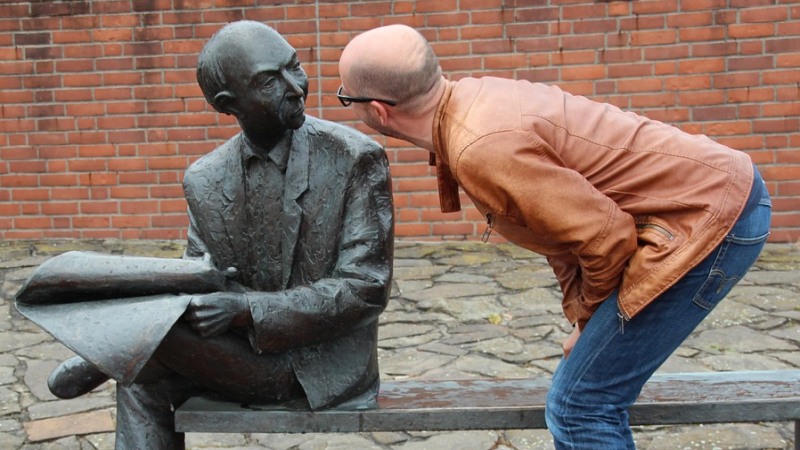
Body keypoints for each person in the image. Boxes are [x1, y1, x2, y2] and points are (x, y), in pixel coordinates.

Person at [338, 24, 771, 449]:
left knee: (581, 406)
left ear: (378, 111)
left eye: (345, 97)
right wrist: (583, 321)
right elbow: (562, 235)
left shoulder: (481, 146)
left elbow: (606, 238)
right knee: (578, 391)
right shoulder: (472, 101)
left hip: (710, 220)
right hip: (714, 199)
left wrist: (588, 320)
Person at [39, 21, 394, 449]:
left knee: (140, 358)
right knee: (141, 369)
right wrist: (202, 295)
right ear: (229, 104)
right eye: (269, 81)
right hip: (240, 353)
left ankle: (104, 353)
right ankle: (122, 347)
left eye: (294, 66)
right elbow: (199, 275)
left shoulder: (354, 158)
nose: (295, 87)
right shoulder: (205, 179)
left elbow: (365, 288)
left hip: (317, 367)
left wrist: (245, 309)